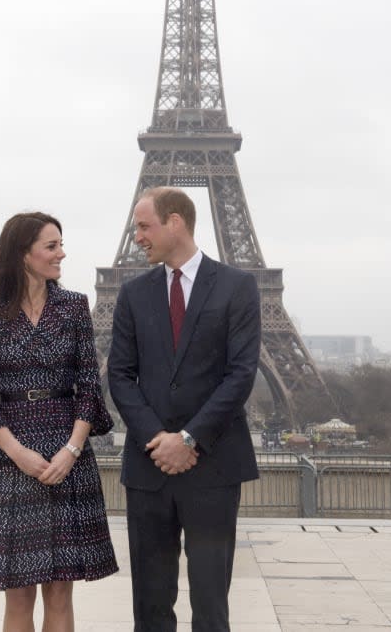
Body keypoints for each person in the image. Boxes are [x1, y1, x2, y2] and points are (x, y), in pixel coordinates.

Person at [107, 187, 261, 632]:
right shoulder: (133, 294)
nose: (137, 236)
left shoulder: (238, 286)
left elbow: (240, 374)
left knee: (212, 606)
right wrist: (161, 440)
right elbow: (120, 375)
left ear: (175, 223)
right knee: (150, 607)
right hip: (150, 466)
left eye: (143, 225)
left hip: (211, 466)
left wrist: (189, 439)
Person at [0, 212, 118, 632]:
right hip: (12, 452)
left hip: (68, 449)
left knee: (61, 593)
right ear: (23, 253)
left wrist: (71, 449)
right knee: (17, 595)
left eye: (60, 244)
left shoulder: (74, 307)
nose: (61, 253)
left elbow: (89, 386)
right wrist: (17, 453)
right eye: (52, 246)